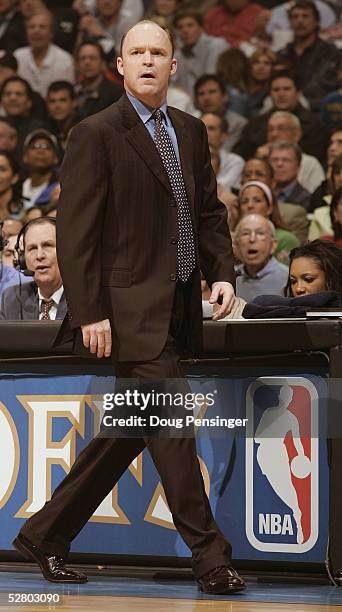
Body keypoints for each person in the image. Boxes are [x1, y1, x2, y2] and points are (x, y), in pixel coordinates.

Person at [13, 19, 246, 595]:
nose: (146, 60)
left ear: (174, 66)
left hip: (177, 306)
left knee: (130, 429)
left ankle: (45, 534)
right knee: (170, 427)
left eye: (157, 52)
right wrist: (89, 310)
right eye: (135, 51)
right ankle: (209, 557)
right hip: (124, 312)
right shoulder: (95, 132)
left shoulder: (190, 130)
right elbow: (76, 229)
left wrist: (220, 274)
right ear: (119, 65)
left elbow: (209, 214)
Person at [234, 71, 326, 163]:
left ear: (298, 93)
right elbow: (239, 156)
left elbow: (316, 157)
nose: (281, 94)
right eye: (276, 90)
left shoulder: (314, 125)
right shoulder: (255, 124)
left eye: (286, 89)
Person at [277, 0, 340, 111]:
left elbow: (322, 85)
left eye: (305, 16)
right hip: (284, 107)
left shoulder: (330, 52)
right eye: (295, 17)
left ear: (316, 22)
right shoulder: (284, 53)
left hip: (317, 109)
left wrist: (296, 99)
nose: (299, 21)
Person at [0, 217, 66, 319]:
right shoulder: (12, 298)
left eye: (47, 245)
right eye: (32, 248)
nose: (39, 255)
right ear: (22, 259)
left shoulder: (88, 298)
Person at [14, 10, 75, 98]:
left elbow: (65, 95)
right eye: (32, 27)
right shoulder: (18, 56)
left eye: (42, 27)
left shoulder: (64, 59)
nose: (36, 31)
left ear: (51, 33)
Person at [260, 111, 324, 193]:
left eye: (281, 128)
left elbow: (314, 198)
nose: (274, 134)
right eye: (270, 129)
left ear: (297, 134)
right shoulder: (261, 160)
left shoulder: (310, 163)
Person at [237, 180, 299, 264]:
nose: (250, 205)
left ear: (269, 208)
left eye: (257, 200)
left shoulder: (286, 239)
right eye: (244, 201)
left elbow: (287, 274)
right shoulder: (232, 238)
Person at [172, 8, 228, 97]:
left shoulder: (216, 46)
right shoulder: (178, 55)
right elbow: (174, 84)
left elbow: (210, 82)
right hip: (188, 104)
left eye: (190, 25)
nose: (185, 30)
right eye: (180, 27)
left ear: (201, 28)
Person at [234, 213, 289, 301]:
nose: (252, 239)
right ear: (236, 245)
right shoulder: (228, 278)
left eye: (260, 233)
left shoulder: (288, 278)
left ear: (273, 245)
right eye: (245, 233)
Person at [194, 74, 247, 151]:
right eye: (201, 94)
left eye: (212, 92)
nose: (206, 98)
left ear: (225, 96)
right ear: (196, 100)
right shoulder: (191, 123)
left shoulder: (239, 124)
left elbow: (226, 151)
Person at [73, 41, 123, 123]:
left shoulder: (116, 93)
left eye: (92, 58)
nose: (87, 62)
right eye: (82, 58)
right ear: (77, 64)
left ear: (102, 63)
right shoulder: (74, 92)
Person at [201, 112, 244, 191]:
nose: (204, 132)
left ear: (224, 136)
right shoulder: (185, 159)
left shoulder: (235, 162)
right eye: (201, 128)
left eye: (211, 129)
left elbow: (221, 190)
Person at [22, 129, 59, 208]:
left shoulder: (62, 189)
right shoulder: (17, 189)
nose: (40, 151)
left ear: (56, 158)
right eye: (34, 146)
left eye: (47, 147)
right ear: (25, 157)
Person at [269, 141, 311, 210]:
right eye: (274, 160)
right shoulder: (262, 194)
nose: (279, 164)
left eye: (286, 160)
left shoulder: (305, 199)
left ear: (298, 167)